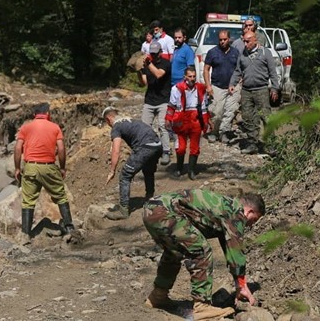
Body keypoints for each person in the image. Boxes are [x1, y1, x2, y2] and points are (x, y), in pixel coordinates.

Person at [143, 189, 265, 320]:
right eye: (254, 220)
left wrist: (239, 284)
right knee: (202, 250)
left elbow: (229, 248)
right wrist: (242, 285)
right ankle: (202, 306)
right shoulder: (236, 212)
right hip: (165, 211)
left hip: (151, 209)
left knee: (174, 252)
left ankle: (158, 296)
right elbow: (236, 251)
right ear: (250, 212)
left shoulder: (224, 206)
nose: (251, 225)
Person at [14, 102, 75, 238]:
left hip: (30, 167)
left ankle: (25, 235)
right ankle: (70, 228)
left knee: (28, 201)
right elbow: (61, 148)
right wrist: (63, 167)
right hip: (48, 166)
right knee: (60, 196)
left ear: (34, 115)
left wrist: (17, 168)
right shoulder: (55, 127)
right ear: (47, 113)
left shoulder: (26, 127)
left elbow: (18, 148)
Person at [102, 107, 163, 220]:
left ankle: (123, 210)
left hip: (145, 147)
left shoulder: (116, 126)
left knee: (125, 176)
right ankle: (150, 198)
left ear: (108, 118)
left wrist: (112, 171)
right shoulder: (130, 120)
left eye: (106, 122)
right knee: (148, 170)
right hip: (157, 145)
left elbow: (116, 150)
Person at [229, 31, 279, 154]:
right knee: (247, 117)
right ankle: (252, 143)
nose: (245, 44)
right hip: (246, 90)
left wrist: (274, 88)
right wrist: (232, 84)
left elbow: (273, 72)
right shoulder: (243, 54)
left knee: (266, 117)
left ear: (255, 40)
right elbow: (237, 71)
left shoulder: (265, 53)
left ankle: (271, 145)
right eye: (244, 41)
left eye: (248, 41)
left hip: (261, 89)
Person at [165, 66, 211, 180]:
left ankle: (191, 170)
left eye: (194, 76)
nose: (192, 79)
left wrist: (207, 121)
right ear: (185, 77)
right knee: (180, 147)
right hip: (181, 120)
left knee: (195, 147)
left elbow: (205, 106)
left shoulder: (201, 88)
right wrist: (168, 119)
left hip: (196, 119)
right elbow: (171, 105)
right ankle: (179, 168)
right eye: (190, 76)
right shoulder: (176, 88)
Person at [203, 29, 241, 144]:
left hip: (233, 87)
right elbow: (206, 69)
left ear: (229, 39)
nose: (222, 42)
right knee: (216, 112)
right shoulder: (212, 52)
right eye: (220, 40)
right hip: (217, 86)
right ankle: (213, 132)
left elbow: (240, 69)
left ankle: (224, 132)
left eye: (225, 39)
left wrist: (240, 82)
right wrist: (208, 86)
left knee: (230, 111)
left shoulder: (235, 52)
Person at [139, 41, 172, 166]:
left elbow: (158, 74)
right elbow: (143, 83)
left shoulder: (166, 63)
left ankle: (166, 151)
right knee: (144, 127)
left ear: (160, 52)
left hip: (163, 100)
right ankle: (145, 150)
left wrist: (148, 64)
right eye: (151, 53)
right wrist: (139, 71)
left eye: (155, 53)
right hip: (150, 100)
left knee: (163, 126)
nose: (153, 55)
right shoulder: (148, 64)